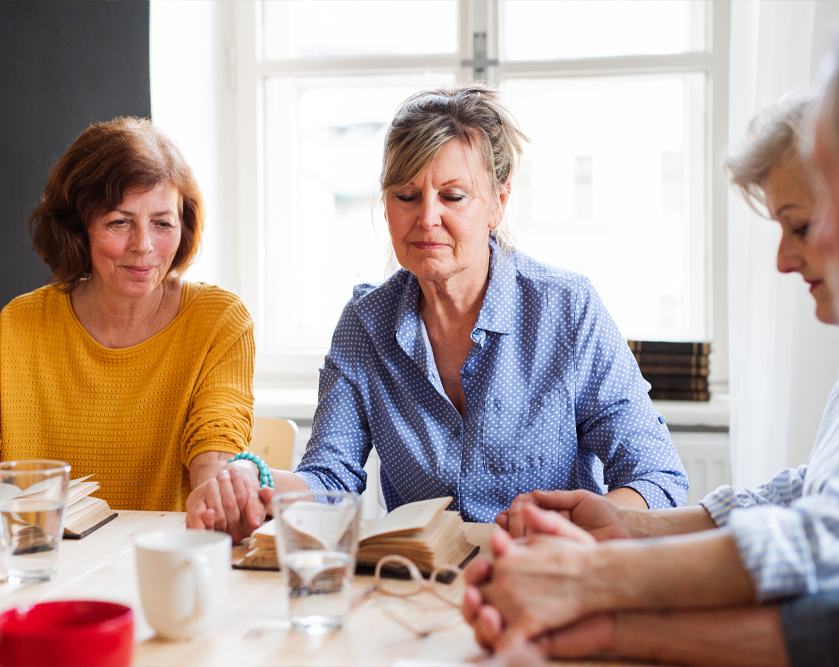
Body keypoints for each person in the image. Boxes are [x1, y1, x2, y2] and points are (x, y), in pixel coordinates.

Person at [187, 84, 688, 535]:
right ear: (385, 206)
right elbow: (330, 476)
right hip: (416, 587)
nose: (427, 218)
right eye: (406, 196)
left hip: (549, 580)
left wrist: (580, 533)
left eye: (453, 196)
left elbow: (655, 476)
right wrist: (254, 478)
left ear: (497, 202)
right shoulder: (366, 323)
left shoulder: (566, 309)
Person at [462, 92, 839, 667]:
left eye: (803, 225)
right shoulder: (368, 320)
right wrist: (632, 528)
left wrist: (594, 577)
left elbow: (826, 541)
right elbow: (809, 490)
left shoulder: (567, 305)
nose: (784, 260)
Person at [0, 117, 264, 538]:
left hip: (159, 564)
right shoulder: (16, 326)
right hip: (39, 565)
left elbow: (216, 441)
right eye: (119, 222)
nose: (143, 246)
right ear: (77, 228)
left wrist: (219, 487)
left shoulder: (218, 320)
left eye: (162, 224)